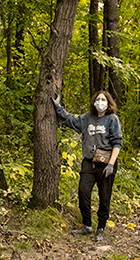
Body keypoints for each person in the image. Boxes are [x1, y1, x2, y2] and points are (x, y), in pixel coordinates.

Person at [53, 90, 123, 242]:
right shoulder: (87, 118)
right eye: (98, 99)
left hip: (106, 164)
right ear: (93, 102)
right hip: (88, 163)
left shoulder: (112, 119)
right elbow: (70, 119)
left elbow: (118, 143)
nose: (100, 102)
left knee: (104, 197)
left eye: (103, 99)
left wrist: (111, 164)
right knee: (83, 191)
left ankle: (101, 228)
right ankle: (87, 226)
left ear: (108, 102)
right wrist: (58, 107)